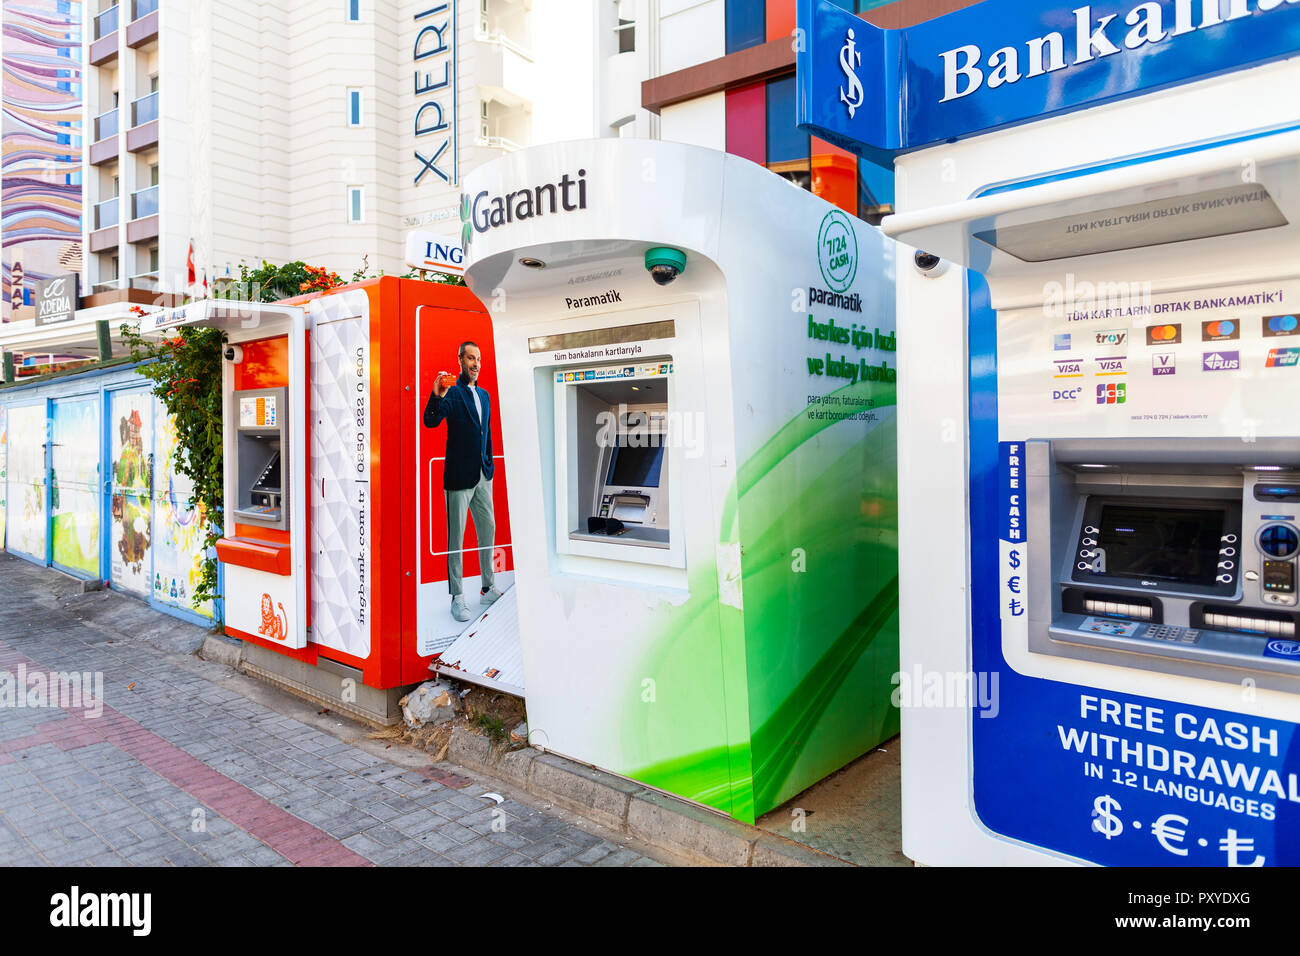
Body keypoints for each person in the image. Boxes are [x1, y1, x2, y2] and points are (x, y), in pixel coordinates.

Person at [424, 340, 502, 622]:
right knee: (456, 537)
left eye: (478, 359)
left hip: (482, 475)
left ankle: (487, 587)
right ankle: (457, 596)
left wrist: (489, 465)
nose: (476, 363)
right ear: (460, 360)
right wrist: (437, 394)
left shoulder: (485, 396)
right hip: (458, 477)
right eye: (470, 358)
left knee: (488, 528)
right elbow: (430, 422)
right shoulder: (451, 393)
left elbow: (487, 435)